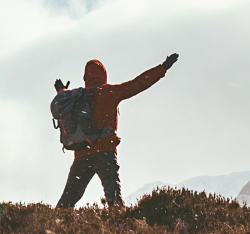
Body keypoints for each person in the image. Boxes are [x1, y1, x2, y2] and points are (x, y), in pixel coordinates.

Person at [53, 53, 179, 208]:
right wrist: (163, 68)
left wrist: (61, 91)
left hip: (82, 153)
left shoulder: (76, 97)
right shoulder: (109, 92)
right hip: (104, 152)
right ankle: (119, 226)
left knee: (67, 201)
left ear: (85, 77)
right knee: (114, 200)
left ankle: (50, 228)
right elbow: (138, 83)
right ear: (103, 75)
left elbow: (66, 111)